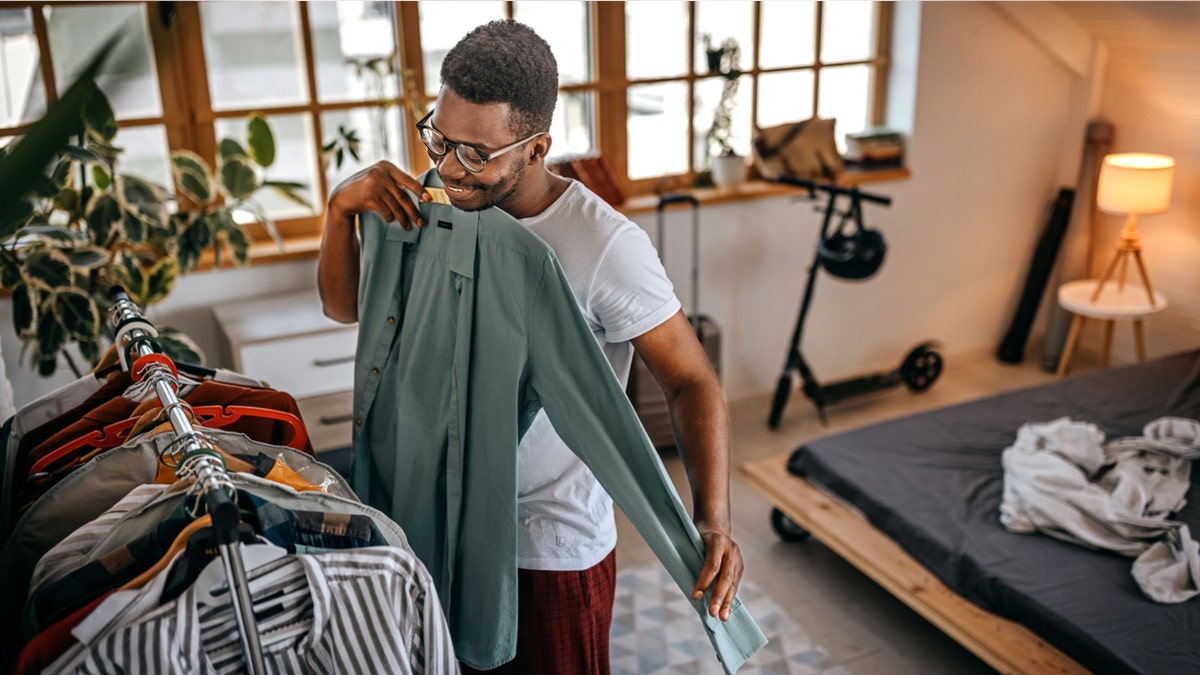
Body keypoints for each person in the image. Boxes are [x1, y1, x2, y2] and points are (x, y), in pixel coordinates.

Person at [317, 19, 743, 674]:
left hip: (545, 549)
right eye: (440, 138)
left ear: (537, 146)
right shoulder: (426, 205)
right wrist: (339, 212)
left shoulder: (602, 245)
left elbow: (691, 380)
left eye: (476, 153)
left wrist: (712, 518)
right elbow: (345, 307)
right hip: (431, 519)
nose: (449, 167)